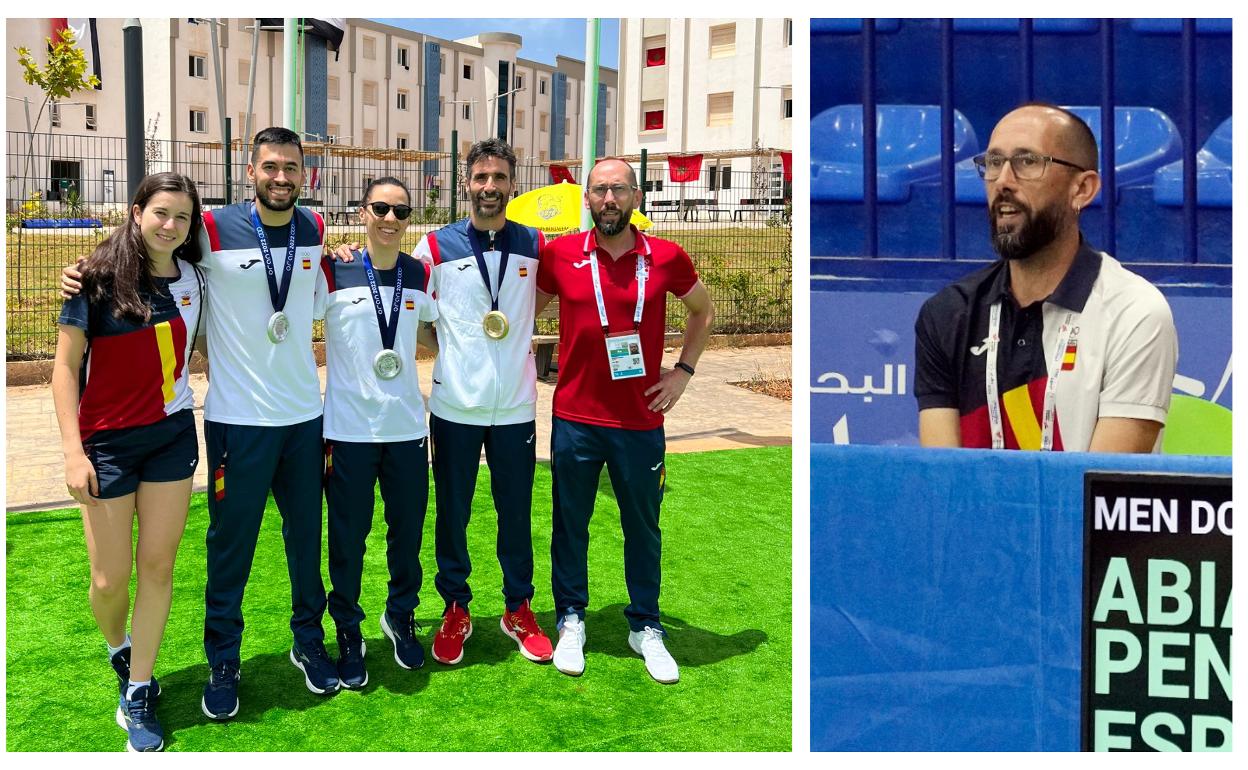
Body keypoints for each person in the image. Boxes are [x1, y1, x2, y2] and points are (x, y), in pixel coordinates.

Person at [62, 127, 338, 717]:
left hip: (304, 417)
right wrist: (82, 267)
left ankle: (308, 643)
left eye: (291, 166)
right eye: (270, 166)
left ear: (303, 173)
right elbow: (146, 246)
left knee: (303, 542)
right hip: (236, 421)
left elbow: (314, 289)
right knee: (229, 546)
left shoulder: (314, 230)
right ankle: (224, 659)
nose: (281, 177)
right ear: (251, 170)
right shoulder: (209, 229)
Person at [336, 139, 552, 666]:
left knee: (515, 512)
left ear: (512, 182)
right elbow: (405, 302)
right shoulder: (434, 248)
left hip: (517, 406)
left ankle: (517, 607)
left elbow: (543, 295)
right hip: (454, 407)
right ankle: (455, 606)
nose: (489, 187)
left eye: (499, 177)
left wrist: (518, 328)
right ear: (466, 183)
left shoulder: (536, 242)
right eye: (480, 177)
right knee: (451, 514)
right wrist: (344, 251)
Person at [535, 158, 715, 683]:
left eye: (617, 189)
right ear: (586, 198)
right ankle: (571, 618)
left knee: (643, 526)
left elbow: (703, 312)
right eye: (599, 190)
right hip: (574, 417)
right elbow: (524, 307)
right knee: (571, 524)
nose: (608, 199)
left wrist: (682, 373)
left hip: (640, 420)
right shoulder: (560, 254)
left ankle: (646, 624)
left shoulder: (665, 257)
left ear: (635, 196)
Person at [914, 103, 1178, 452]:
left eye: (1027, 162)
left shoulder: (1135, 313)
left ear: (1082, 189)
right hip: (976, 508)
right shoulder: (947, 313)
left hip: (1079, 508)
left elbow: (1103, 488)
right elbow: (944, 480)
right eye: (994, 163)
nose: (1003, 181)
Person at [52, 172, 206, 751]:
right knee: (110, 578)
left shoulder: (195, 277)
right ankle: (119, 647)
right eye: (161, 212)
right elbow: (64, 372)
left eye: (182, 218)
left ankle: (138, 689)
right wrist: (73, 452)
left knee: (159, 568)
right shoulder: (91, 279)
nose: (170, 226)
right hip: (106, 444)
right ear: (137, 210)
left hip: (170, 436)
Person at [315, 177, 439, 687]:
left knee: (406, 535)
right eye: (381, 208)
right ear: (363, 212)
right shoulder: (334, 270)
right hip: (347, 431)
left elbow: (433, 329)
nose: (390, 219)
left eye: (401, 211)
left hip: (408, 429)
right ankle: (348, 629)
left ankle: (401, 615)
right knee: (347, 539)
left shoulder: (419, 274)